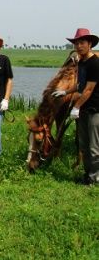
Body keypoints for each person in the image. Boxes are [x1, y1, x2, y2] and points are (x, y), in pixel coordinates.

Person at [53, 28, 99, 185]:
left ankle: (95, 178)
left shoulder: (95, 63)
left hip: (94, 110)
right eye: (77, 43)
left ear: (90, 44)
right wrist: (64, 91)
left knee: (94, 147)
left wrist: (76, 107)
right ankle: (88, 176)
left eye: (82, 43)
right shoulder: (82, 63)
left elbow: (89, 89)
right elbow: (80, 85)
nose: (79, 46)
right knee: (84, 146)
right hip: (83, 110)